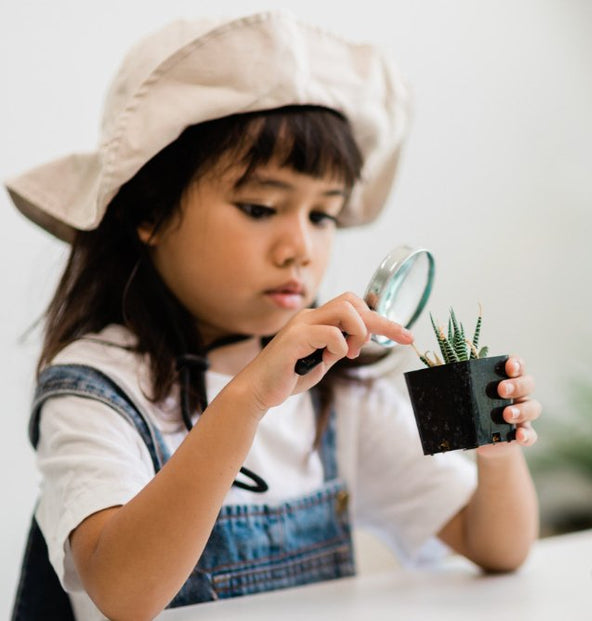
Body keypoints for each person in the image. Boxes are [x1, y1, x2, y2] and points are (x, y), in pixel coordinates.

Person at [6, 10, 540, 620]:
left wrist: (497, 450)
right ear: (148, 214)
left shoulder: (340, 392)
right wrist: (246, 398)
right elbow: (125, 593)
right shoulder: (98, 386)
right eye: (261, 207)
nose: (299, 248)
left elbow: (498, 546)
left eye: (322, 216)